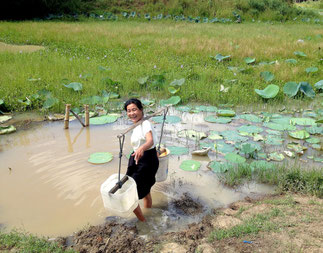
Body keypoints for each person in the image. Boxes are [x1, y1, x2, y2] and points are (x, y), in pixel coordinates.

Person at [124, 98, 159, 222]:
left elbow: (150, 141)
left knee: (129, 195)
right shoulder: (137, 125)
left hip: (147, 161)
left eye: (134, 110)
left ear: (141, 110)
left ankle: (143, 221)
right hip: (138, 160)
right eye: (129, 111)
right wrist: (137, 150)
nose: (132, 113)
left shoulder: (145, 124)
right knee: (145, 191)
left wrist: (141, 148)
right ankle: (148, 213)